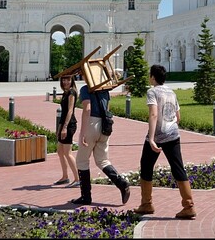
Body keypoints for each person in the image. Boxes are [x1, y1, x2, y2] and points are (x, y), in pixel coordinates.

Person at [134, 64, 196, 219]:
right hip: (173, 134)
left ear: (153, 77)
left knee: (146, 166)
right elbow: (178, 116)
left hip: (158, 135)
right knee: (178, 168)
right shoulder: (171, 92)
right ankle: (188, 205)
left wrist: (152, 138)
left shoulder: (152, 91)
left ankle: (146, 204)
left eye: (150, 75)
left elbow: (153, 114)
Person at [71, 82, 130, 206]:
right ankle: (121, 183)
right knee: (102, 160)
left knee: (82, 161)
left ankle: (86, 197)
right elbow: (107, 109)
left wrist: (83, 133)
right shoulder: (104, 90)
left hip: (92, 124)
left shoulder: (85, 89)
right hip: (105, 126)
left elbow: (87, 109)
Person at [54, 74, 81, 187]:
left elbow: (70, 111)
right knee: (60, 151)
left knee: (67, 152)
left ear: (72, 80)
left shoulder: (71, 92)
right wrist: (59, 128)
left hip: (69, 125)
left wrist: (64, 127)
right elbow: (63, 112)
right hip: (64, 125)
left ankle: (78, 179)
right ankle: (65, 177)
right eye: (64, 79)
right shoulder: (65, 92)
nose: (66, 82)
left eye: (68, 79)